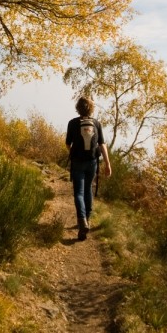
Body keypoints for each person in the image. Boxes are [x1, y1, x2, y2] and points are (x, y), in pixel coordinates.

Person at [66, 96, 112, 240]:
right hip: (92, 162)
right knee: (88, 191)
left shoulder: (72, 123)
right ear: (91, 108)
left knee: (78, 192)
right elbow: (102, 144)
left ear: (78, 108)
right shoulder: (96, 123)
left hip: (78, 161)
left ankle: (82, 221)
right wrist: (107, 163)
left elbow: (68, 143)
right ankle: (87, 219)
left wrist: (73, 152)